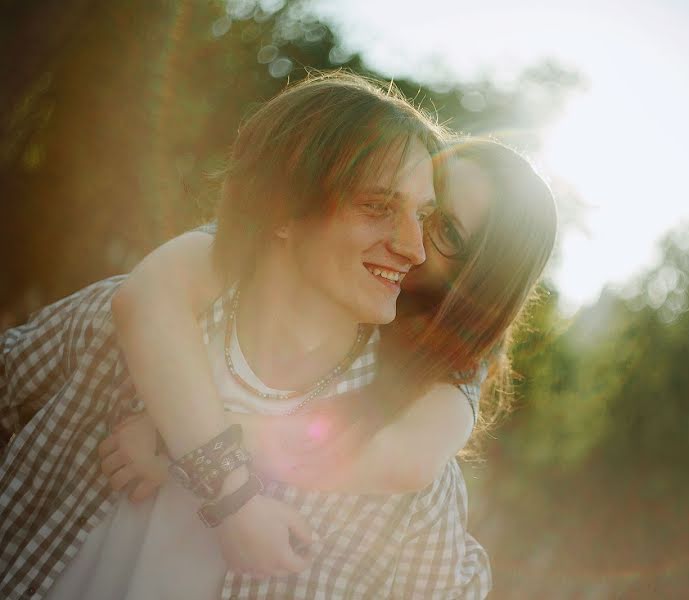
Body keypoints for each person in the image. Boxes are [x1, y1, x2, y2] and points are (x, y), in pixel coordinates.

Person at [0, 73, 556, 600]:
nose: (415, 244)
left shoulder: (420, 438)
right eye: (384, 206)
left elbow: (407, 472)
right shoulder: (132, 326)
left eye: (442, 227)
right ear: (284, 211)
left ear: (474, 285)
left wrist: (181, 444)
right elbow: (140, 302)